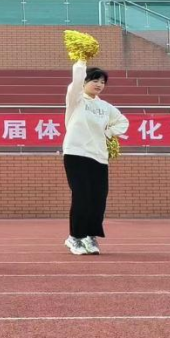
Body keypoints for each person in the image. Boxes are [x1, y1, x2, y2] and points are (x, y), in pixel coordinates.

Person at [62, 62, 129, 256]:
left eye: (102, 82)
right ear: (84, 82)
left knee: (98, 198)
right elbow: (75, 82)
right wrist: (81, 60)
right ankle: (75, 237)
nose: (99, 84)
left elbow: (123, 122)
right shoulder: (76, 100)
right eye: (94, 80)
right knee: (81, 195)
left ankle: (90, 236)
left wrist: (108, 133)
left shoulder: (105, 107)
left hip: (99, 156)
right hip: (76, 153)